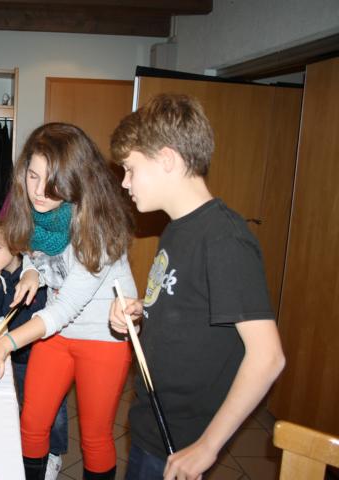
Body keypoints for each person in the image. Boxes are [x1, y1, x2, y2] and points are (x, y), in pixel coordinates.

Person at [108, 93, 285, 480]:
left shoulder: (224, 238)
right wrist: (141, 307)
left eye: (131, 169)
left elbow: (268, 357)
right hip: (152, 423)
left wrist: (208, 446)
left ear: (167, 159)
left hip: (182, 440)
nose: (125, 182)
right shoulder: (176, 229)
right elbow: (186, 302)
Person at [0, 123, 136, 480]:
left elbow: (66, 307)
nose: (38, 191)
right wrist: (32, 273)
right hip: (57, 336)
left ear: (76, 178)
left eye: (51, 180)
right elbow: (40, 257)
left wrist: (6, 343)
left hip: (102, 338)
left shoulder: (98, 226)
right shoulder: (37, 215)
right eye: (32, 175)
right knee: (32, 423)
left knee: (95, 437)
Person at [0, 217, 69, 479]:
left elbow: (41, 318)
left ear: (14, 246)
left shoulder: (34, 275)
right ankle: (31, 446)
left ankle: (55, 452)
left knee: (54, 408)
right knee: (27, 404)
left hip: (44, 352)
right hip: (16, 357)